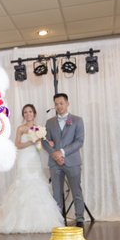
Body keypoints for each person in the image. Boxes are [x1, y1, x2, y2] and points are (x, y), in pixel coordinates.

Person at [0, 104, 64, 233]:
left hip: (34, 160)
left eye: (30, 111)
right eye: (25, 112)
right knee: (23, 183)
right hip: (23, 160)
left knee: (37, 184)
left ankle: (39, 220)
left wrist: (44, 142)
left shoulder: (39, 128)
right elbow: (17, 145)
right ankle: (19, 221)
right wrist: (31, 141)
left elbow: (39, 148)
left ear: (34, 114)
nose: (28, 114)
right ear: (23, 115)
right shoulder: (21, 128)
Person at [41, 93, 85, 227]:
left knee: (76, 190)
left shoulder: (77, 120)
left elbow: (79, 141)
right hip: (54, 163)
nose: (59, 106)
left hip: (72, 161)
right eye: (56, 104)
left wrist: (62, 152)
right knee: (56, 192)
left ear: (67, 103)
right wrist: (54, 153)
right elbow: (45, 141)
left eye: (61, 103)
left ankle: (80, 219)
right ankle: (59, 220)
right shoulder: (49, 122)